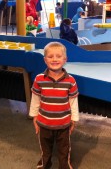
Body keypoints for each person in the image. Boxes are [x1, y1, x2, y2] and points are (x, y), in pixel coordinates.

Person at [29, 41, 79, 169]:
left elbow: (73, 101)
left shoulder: (70, 80)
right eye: (50, 57)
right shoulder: (39, 79)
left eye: (58, 56)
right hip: (44, 123)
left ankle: (65, 166)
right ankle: (44, 164)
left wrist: (74, 119)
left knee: (64, 150)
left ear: (65, 59)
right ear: (45, 60)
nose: (54, 59)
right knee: (45, 149)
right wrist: (34, 116)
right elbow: (35, 99)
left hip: (64, 124)